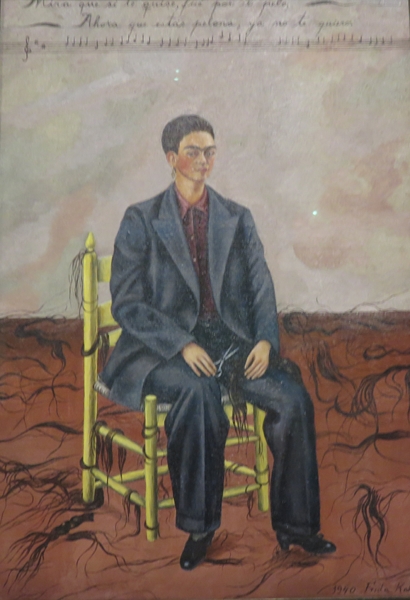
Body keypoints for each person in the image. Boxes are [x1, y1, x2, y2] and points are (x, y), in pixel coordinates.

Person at [99, 114, 336, 570]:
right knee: (199, 392)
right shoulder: (141, 219)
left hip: (230, 344)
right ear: (171, 158)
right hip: (159, 349)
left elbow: (261, 288)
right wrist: (180, 344)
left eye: (209, 151)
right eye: (193, 151)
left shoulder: (236, 218)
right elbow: (127, 303)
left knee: (292, 399)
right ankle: (200, 527)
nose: (204, 160)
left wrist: (264, 341)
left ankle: (299, 527)